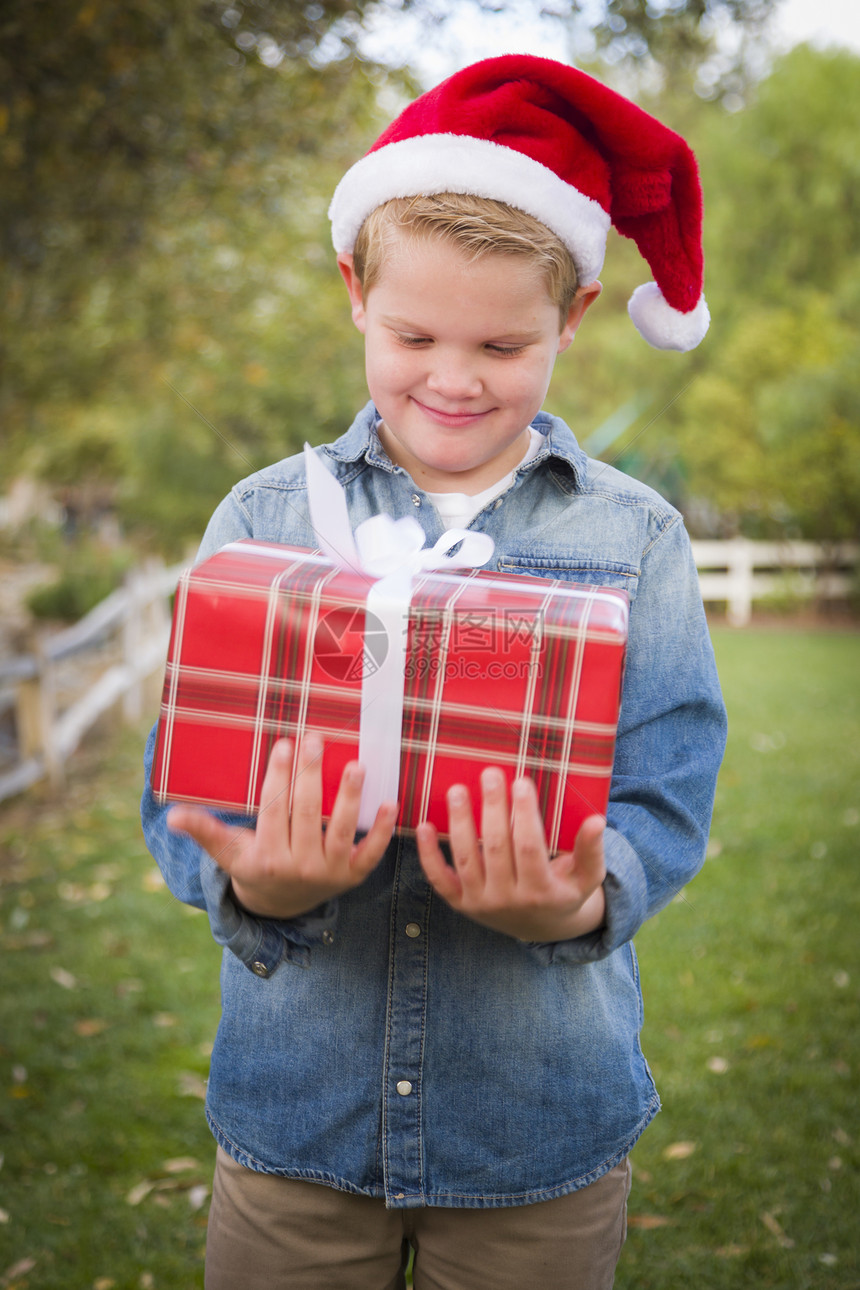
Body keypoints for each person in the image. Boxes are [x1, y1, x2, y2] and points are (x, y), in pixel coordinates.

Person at [141, 54, 726, 1289]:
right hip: (296, 1127)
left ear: (572, 319)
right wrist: (255, 881)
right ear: (353, 293)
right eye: (413, 335)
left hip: (535, 1131)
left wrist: (573, 901)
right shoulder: (258, 519)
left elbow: (666, 791)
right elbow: (179, 788)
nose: (452, 380)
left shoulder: (634, 539)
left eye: (503, 344)